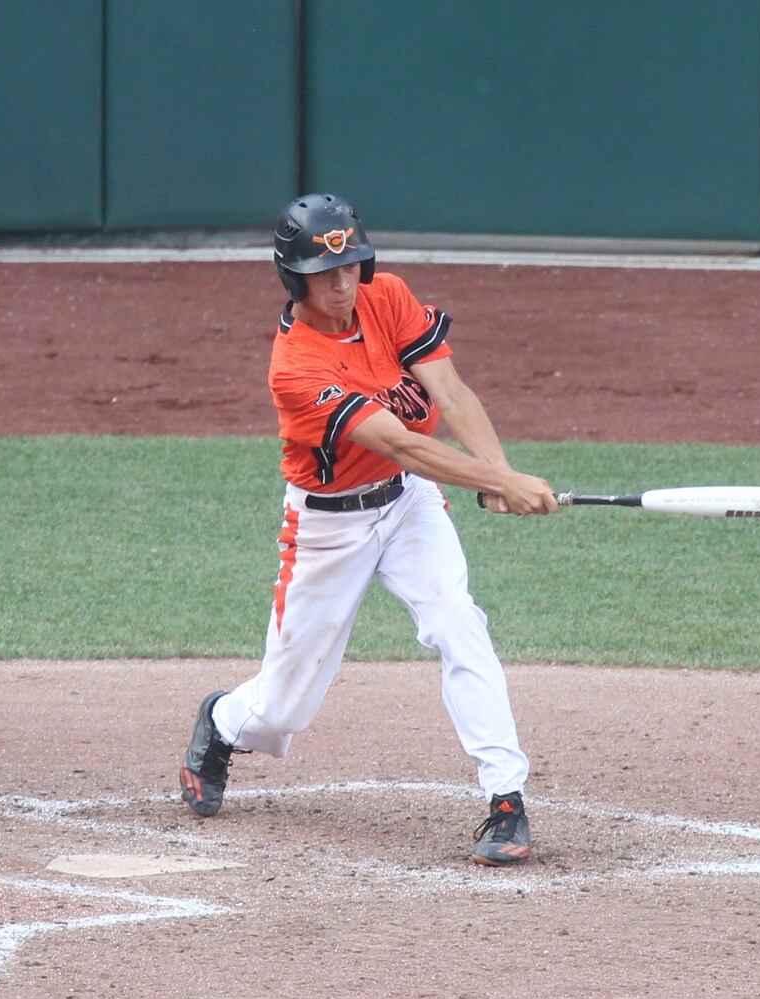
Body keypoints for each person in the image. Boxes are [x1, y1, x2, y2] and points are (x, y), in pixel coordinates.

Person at [177, 194, 560, 866]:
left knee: (456, 621)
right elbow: (400, 443)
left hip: (410, 505)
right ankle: (222, 721)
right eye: (325, 274)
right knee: (283, 711)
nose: (342, 284)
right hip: (328, 527)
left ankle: (507, 802)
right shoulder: (296, 366)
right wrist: (501, 484)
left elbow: (452, 395)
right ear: (294, 278)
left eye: (351, 266)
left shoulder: (388, 298)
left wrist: (498, 472)